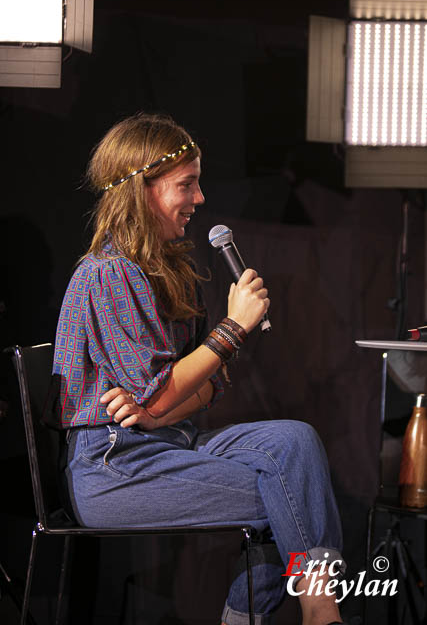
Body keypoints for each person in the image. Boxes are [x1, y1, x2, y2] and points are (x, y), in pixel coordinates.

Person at [52, 112, 346, 625]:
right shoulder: (107, 275)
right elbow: (169, 388)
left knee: (295, 443)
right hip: (115, 467)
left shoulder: (167, 272)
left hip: (168, 441)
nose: (201, 199)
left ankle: (273, 614)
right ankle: (316, 614)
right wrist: (233, 328)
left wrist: (159, 415)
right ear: (142, 191)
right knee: (293, 499)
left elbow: (208, 385)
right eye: (186, 185)